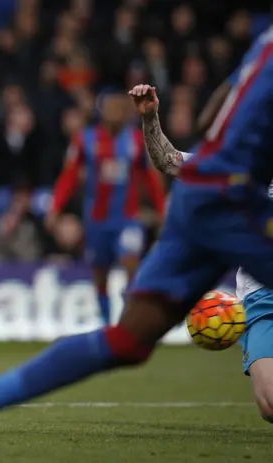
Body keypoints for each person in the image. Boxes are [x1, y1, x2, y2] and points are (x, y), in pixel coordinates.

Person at [0, 25, 273, 463]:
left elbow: (208, 121)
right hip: (229, 198)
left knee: (129, 340)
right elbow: (91, 173)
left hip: (202, 192)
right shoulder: (87, 139)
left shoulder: (262, 44)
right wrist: (57, 210)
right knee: (110, 290)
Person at [129, 82, 273, 423]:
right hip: (262, 298)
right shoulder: (234, 167)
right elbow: (170, 161)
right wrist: (151, 121)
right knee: (269, 404)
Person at [46, 91, 165, 325]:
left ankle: (130, 320)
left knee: (131, 262)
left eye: (120, 108)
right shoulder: (85, 139)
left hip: (127, 218)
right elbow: (69, 176)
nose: (116, 112)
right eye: (112, 107)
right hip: (97, 220)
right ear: (102, 112)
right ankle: (104, 322)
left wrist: (161, 208)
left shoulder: (135, 140)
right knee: (100, 275)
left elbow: (148, 178)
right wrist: (56, 207)